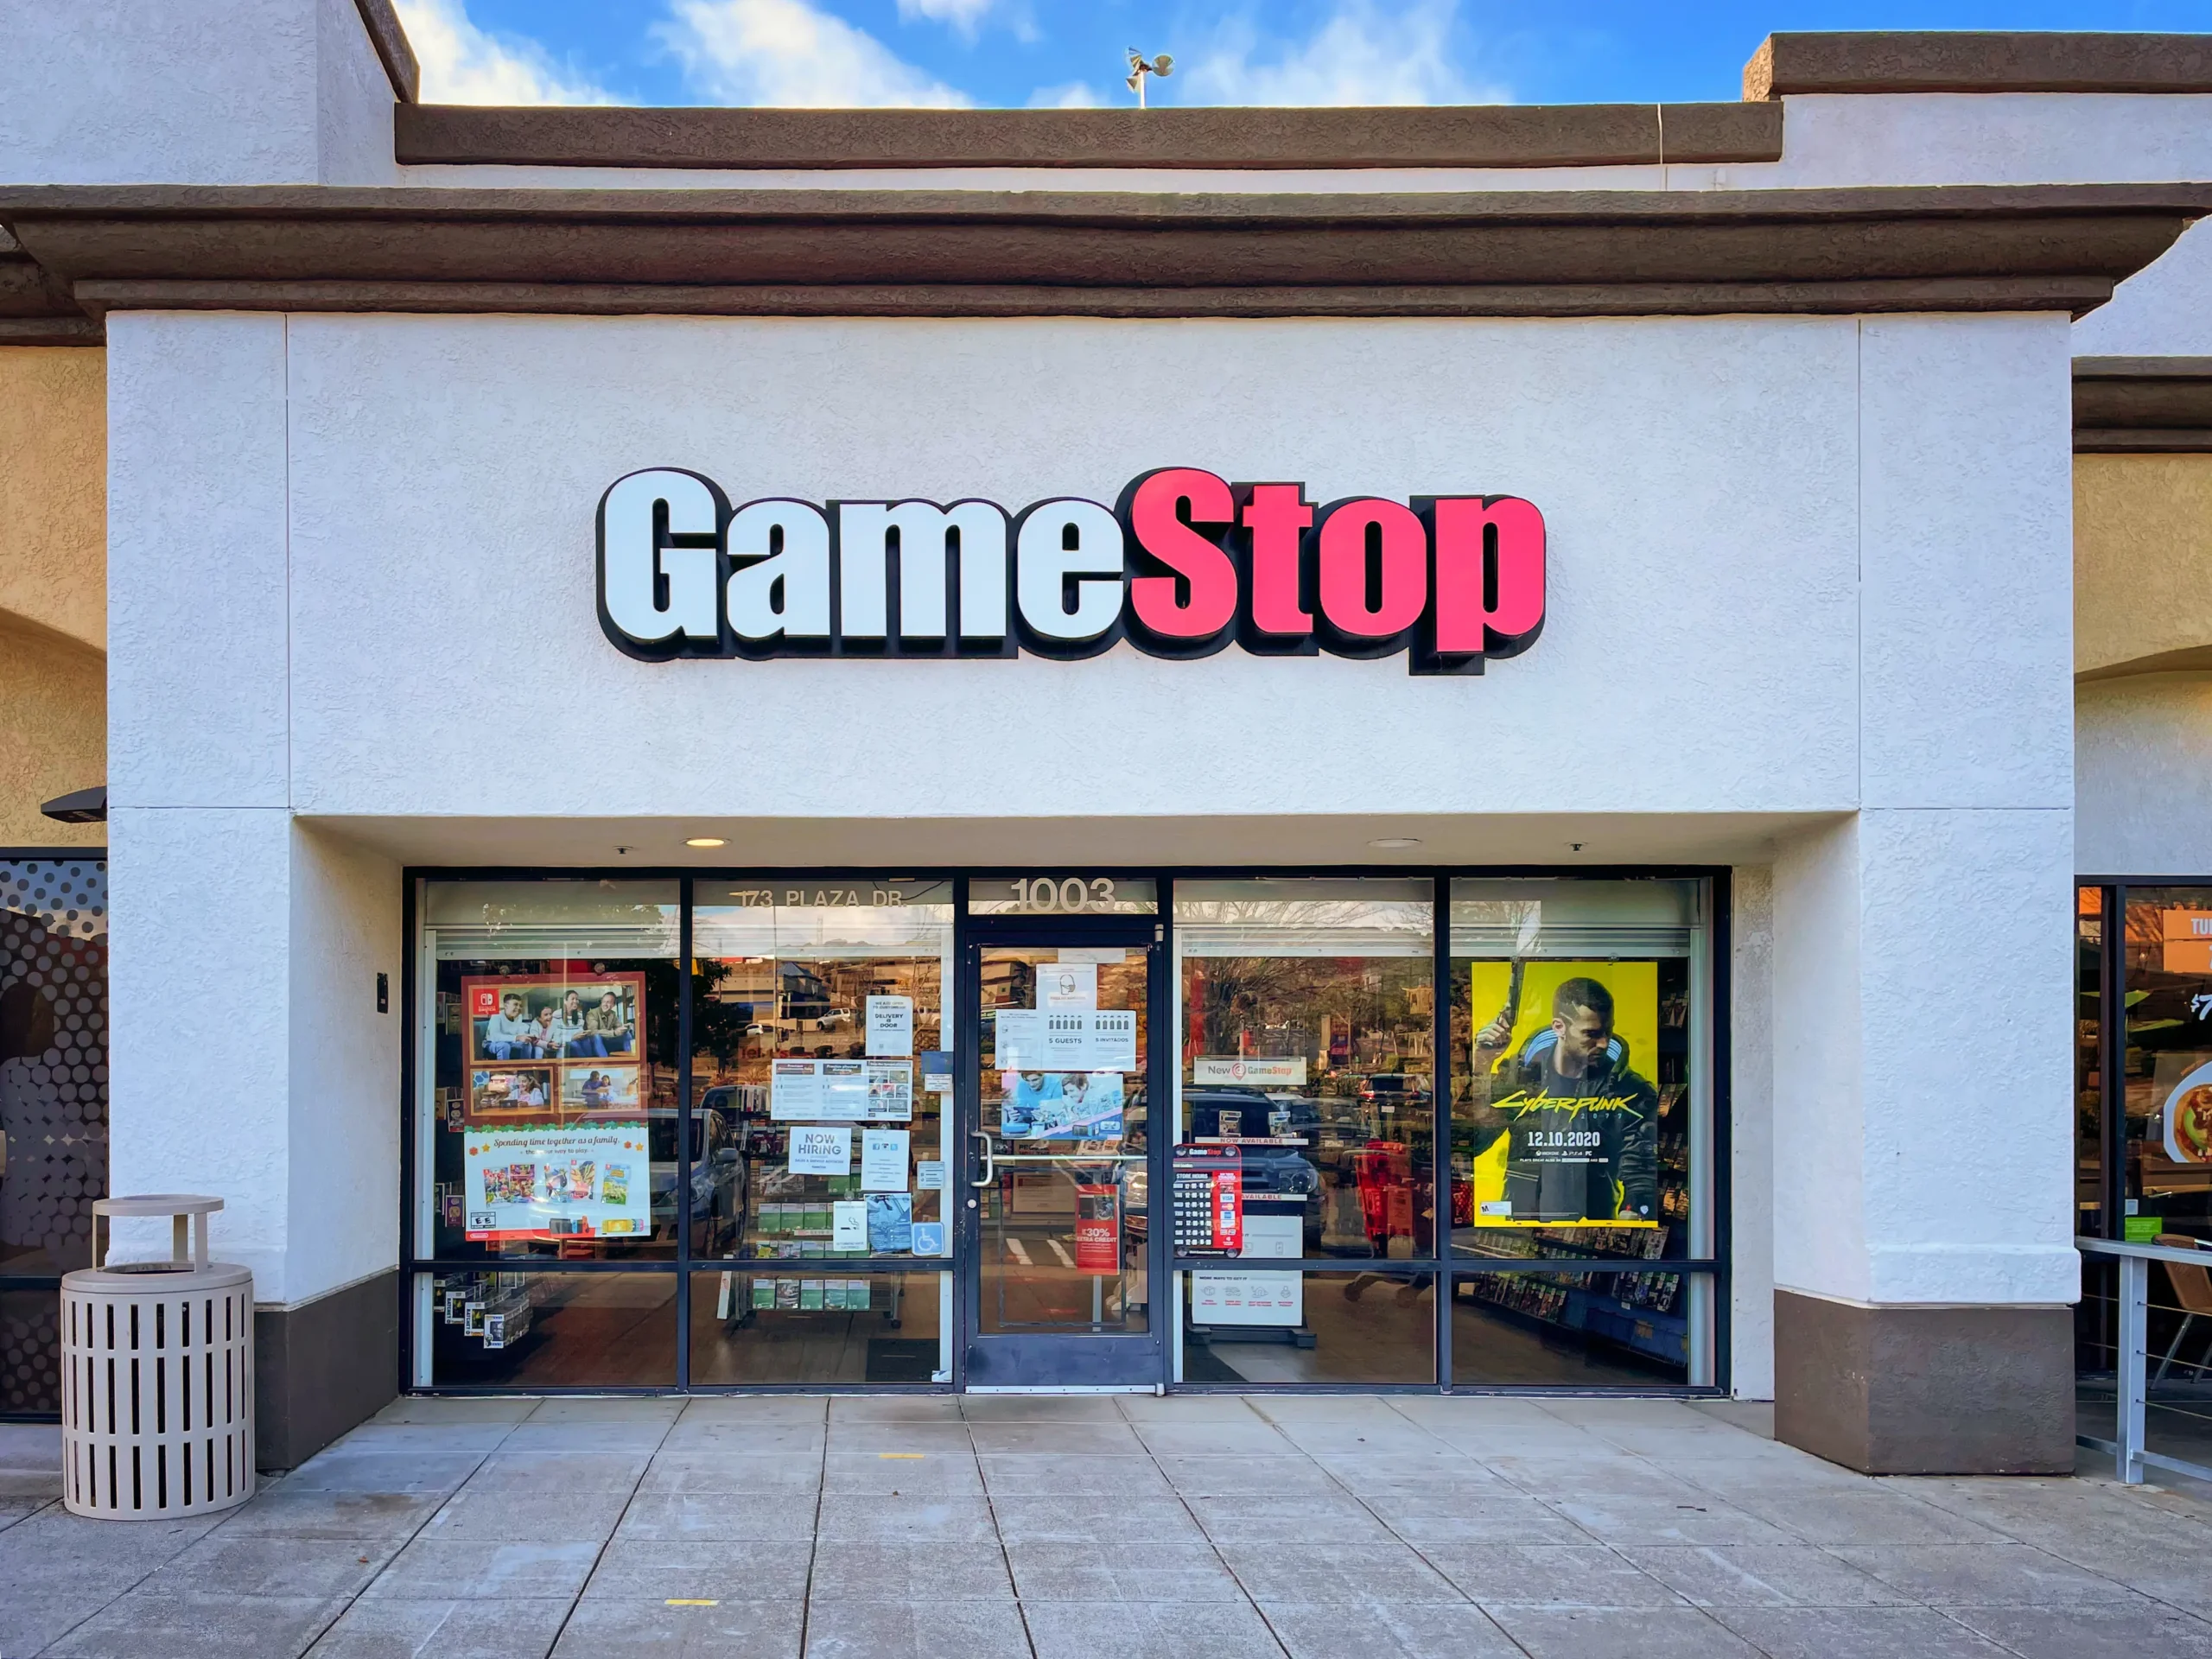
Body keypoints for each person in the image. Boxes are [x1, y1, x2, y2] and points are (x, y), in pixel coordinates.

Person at [1464, 976, 1659, 1225]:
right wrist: (1482, 1065)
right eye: (1591, 1034)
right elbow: (1476, 1142)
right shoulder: (1520, 1079)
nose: (1603, 1043)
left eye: (1608, 1032)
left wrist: (1633, 1211)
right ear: (1559, 1027)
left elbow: (1640, 1166)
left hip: (1592, 1226)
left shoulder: (1628, 1088)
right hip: (1524, 1224)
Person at [480, 993, 535, 1061]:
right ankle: (504, 1067)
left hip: (509, 1042)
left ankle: (525, 1066)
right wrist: (517, 1038)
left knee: (526, 1044)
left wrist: (527, 1037)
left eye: (520, 1006)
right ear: (506, 1006)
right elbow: (495, 1037)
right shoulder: (496, 1015)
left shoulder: (519, 1017)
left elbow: (518, 1033)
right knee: (505, 1046)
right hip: (491, 1043)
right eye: (515, 1004)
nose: (518, 1008)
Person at [584, 989, 634, 1054]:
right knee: (597, 1037)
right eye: (603, 1002)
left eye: (608, 1002)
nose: (605, 1004)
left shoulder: (613, 1014)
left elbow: (619, 1027)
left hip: (607, 1039)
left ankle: (630, 1056)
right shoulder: (592, 1013)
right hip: (594, 1041)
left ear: (613, 1005)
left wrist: (625, 1028)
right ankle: (605, 1059)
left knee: (627, 1034)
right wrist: (614, 1033)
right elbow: (593, 1032)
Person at [555, 988, 601, 1058]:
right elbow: (555, 1038)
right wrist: (572, 1037)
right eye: (572, 999)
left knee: (590, 1040)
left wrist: (584, 1033)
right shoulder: (557, 1014)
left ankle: (594, 1060)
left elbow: (579, 1030)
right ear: (565, 1001)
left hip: (578, 1040)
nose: (575, 1001)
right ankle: (585, 1062)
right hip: (566, 1043)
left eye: (577, 999)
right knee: (574, 1044)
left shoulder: (579, 1015)